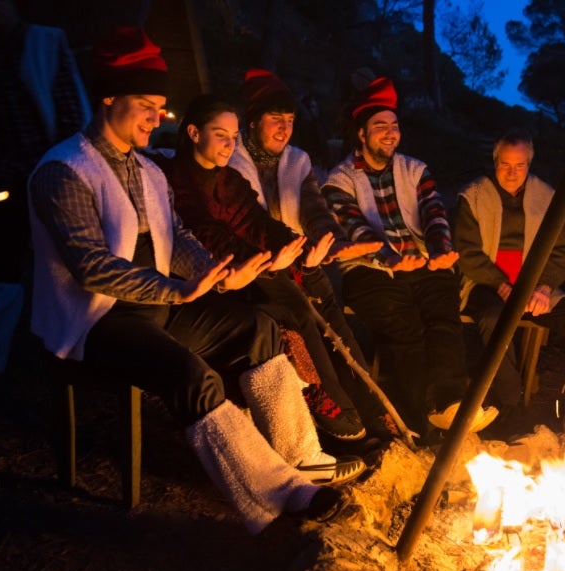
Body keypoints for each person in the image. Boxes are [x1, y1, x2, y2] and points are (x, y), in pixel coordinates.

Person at [27, 26, 363, 534]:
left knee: (258, 328)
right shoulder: (65, 170)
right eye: (146, 106)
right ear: (109, 98)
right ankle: (278, 493)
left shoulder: (147, 171)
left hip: (159, 307)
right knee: (191, 375)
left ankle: (301, 457)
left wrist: (218, 277)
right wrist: (177, 290)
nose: (155, 118)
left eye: (160, 108)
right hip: (94, 319)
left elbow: (177, 235)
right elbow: (91, 266)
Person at [148, 93, 370, 443]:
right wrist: (266, 262)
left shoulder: (229, 181)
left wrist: (298, 248)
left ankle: (356, 402)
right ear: (193, 133)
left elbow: (257, 222)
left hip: (250, 269)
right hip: (206, 281)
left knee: (310, 299)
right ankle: (321, 400)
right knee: (289, 309)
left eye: (233, 137)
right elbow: (207, 234)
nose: (229, 144)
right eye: (221, 135)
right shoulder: (176, 179)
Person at [321, 76, 498, 438]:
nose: (390, 133)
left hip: (421, 261)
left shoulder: (415, 169)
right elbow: (354, 226)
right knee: (406, 329)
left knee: (443, 317)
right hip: (368, 270)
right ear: (361, 133)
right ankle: (420, 421)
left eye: (394, 125)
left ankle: (451, 404)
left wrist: (441, 249)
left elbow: (434, 212)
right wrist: (387, 257)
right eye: (380, 126)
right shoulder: (339, 179)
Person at [227, 69, 397, 443]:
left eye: (290, 120)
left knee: (335, 319)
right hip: (257, 268)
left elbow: (314, 209)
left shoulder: (297, 162)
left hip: (300, 258)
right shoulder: (232, 160)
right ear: (253, 120)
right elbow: (246, 222)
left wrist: (333, 241)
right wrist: (292, 252)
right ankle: (337, 411)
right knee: (305, 320)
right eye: (276, 119)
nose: (284, 129)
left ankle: (372, 408)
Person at [453, 129, 565, 438]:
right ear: (495, 161)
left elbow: (561, 250)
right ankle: (511, 407)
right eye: (505, 164)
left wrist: (544, 287)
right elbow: (466, 252)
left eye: (519, 165)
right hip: (486, 285)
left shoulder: (545, 197)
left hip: (534, 288)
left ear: (529, 164)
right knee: (493, 319)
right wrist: (500, 284)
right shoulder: (473, 196)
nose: (512, 173)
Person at [0, 0, 91, 284]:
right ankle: (5, 299)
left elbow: (69, 104)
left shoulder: (45, 42)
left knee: (53, 248)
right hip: (2, 170)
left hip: (46, 163)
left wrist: (66, 161)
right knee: (3, 253)